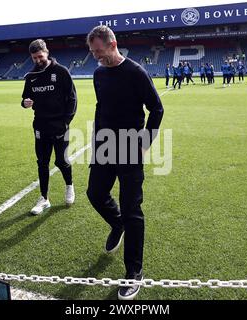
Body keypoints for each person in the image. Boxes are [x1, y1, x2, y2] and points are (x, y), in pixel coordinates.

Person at [86, 25, 164, 300]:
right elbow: (100, 109)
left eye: (99, 51)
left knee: (132, 210)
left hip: (131, 147)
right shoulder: (98, 73)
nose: (96, 57)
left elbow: (156, 108)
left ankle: (134, 273)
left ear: (112, 44)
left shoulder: (135, 72)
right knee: (95, 193)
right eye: (92, 52)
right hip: (104, 146)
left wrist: (145, 142)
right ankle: (116, 224)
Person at [21, 39, 77, 215]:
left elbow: (73, 99)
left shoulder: (61, 72)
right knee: (42, 163)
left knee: (61, 160)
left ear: (46, 52)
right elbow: (24, 98)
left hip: (60, 125)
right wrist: (25, 102)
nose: (37, 60)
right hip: (40, 125)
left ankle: (69, 187)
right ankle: (44, 199)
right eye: (34, 58)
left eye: (40, 56)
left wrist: (66, 122)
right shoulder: (31, 77)